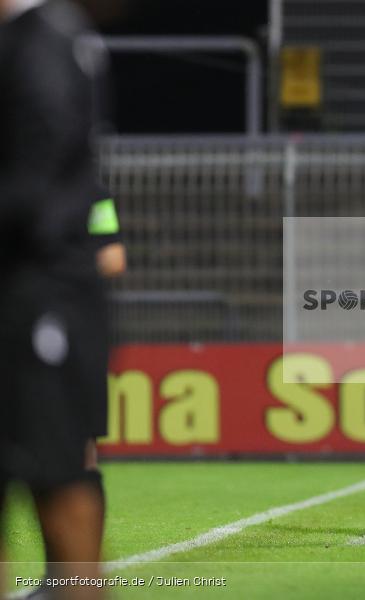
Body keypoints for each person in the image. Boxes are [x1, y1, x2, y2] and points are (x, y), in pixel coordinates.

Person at [0, 0, 109, 596]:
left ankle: (71, 583)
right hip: (29, 284)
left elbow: (39, 179)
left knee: (60, 469)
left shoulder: (42, 42)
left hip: (39, 293)